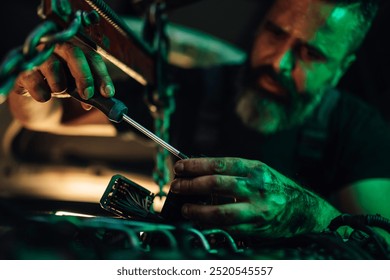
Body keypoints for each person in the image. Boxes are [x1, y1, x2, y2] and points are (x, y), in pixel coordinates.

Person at [6, 0, 390, 245]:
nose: (279, 63)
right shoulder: (197, 92)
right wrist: (34, 85)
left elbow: (379, 249)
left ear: (341, 69)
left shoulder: (359, 132)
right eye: (275, 33)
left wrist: (306, 213)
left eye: (311, 53)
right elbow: (54, 115)